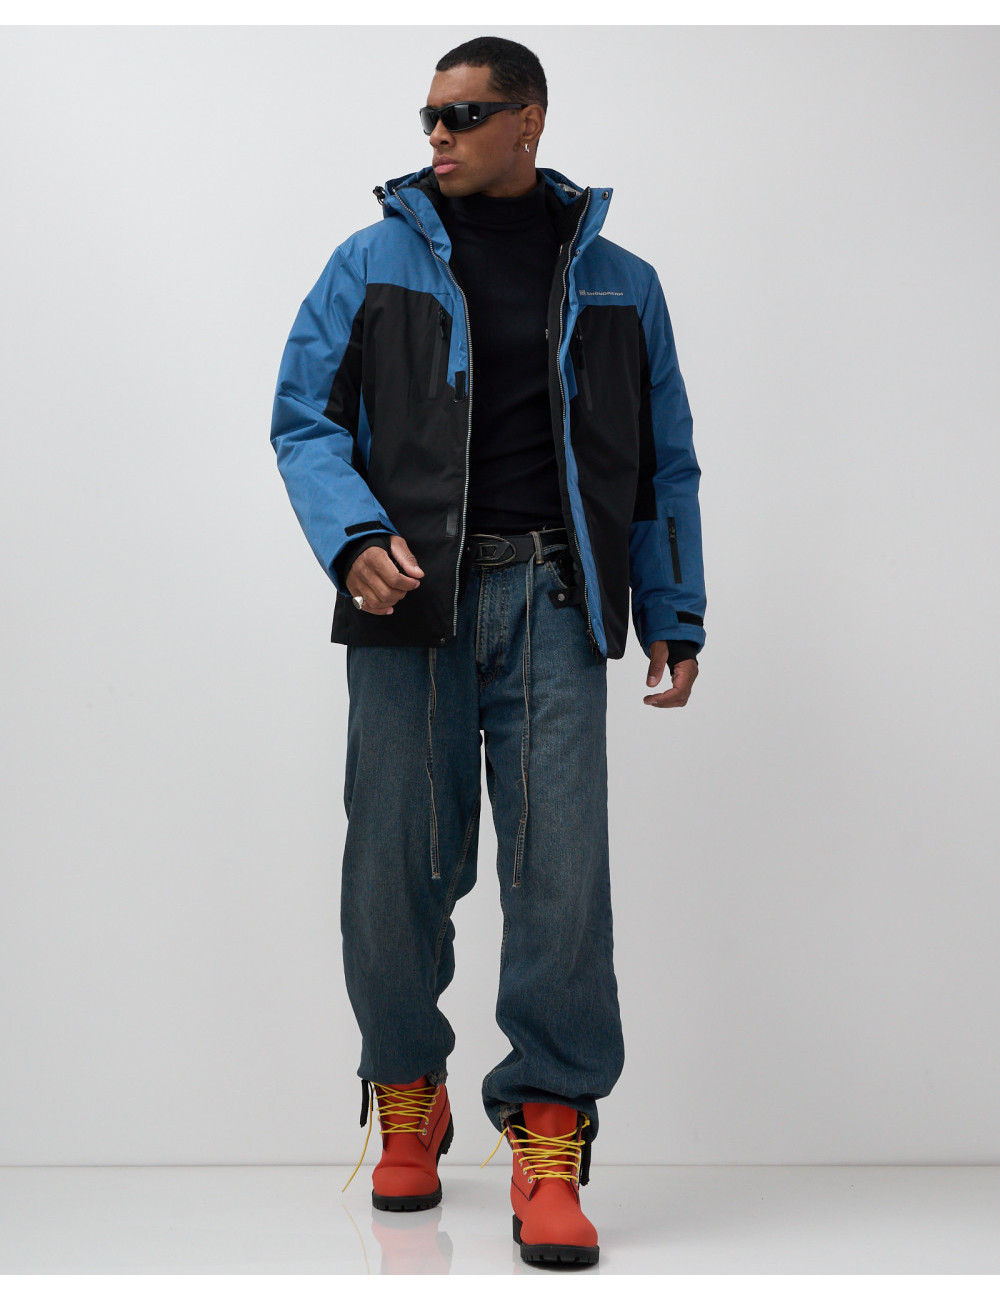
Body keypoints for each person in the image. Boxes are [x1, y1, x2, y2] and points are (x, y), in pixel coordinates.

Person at [270, 35, 706, 1268]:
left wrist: (672, 608)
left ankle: (548, 1128)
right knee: (395, 869)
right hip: (410, 605)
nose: (437, 135)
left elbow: (662, 462)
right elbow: (302, 420)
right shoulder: (368, 263)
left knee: (561, 878)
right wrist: (351, 536)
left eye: (463, 114)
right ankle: (408, 1087)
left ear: (529, 120)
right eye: (428, 115)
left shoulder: (623, 283)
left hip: (556, 599)